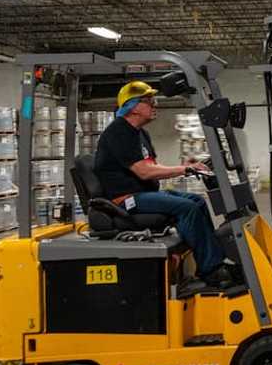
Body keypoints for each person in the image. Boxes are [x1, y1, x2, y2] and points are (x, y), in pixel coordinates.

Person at [93, 81, 234, 287]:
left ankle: (212, 261)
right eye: (149, 101)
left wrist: (185, 166)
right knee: (187, 208)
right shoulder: (118, 132)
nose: (154, 105)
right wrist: (183, 170)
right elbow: (144, 172)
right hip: (126, 200)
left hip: (144, 194)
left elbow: (152, 165)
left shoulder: (140, 133)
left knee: (197, 201)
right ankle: (211, 270)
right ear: (133, 106)